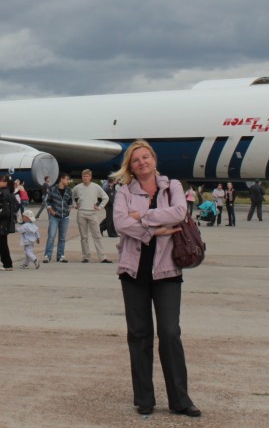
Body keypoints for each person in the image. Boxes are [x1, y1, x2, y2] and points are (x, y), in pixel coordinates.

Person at [112, 140, 201, 418]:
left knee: (170, 333)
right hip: (133, 272)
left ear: (153, 159)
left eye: (146, 157)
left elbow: (179, 213)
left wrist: (144, 217)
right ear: (131, 166)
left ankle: (180, 400)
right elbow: (120, 223)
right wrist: (154, 230)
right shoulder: (123, 192)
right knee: (139, 335)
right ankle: (144, 398)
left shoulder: (171, 186)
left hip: (167, 272)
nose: (142, 162)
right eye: (136, 159)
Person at [72, 169, 112, 263]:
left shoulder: (96, 187)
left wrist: (99, 207)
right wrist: (74, 205)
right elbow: (71, 197)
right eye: (84, 176)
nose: (85, 178)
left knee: (97, 235)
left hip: (92, 213)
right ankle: (86, 256)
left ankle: (102, 257)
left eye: (87, 176)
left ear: (90, 177)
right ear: (82, 177)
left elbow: (105, 197)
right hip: (81, 212)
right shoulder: (77, 188)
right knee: (84, 236)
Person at [43, 173, 74, 263]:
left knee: (62, 238)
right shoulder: (52, 189)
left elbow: (70, 201)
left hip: (65, 217)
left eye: (68, 179)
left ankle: (60, 256)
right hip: (54, 216)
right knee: (51, 236)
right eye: (67, 179)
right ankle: (47, 256)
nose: (68, 181)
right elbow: (47, 201)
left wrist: (69, 208)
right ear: (62, 179)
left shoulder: (69, 190)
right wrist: (51, 211)